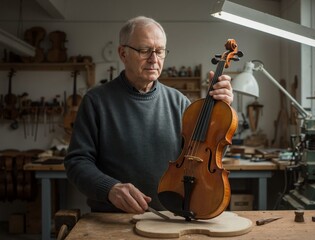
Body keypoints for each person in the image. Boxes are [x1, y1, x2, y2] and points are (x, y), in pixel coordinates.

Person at [64, 16, 234, 214]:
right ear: (123, 53)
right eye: (145, 50)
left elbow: (205, 159)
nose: (154, 59)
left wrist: (221, 115)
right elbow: (76, 162)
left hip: (169, 217)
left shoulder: (180, 102)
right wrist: (110, 189)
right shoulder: (95, 101)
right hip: (114, 219)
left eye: (160, 51)